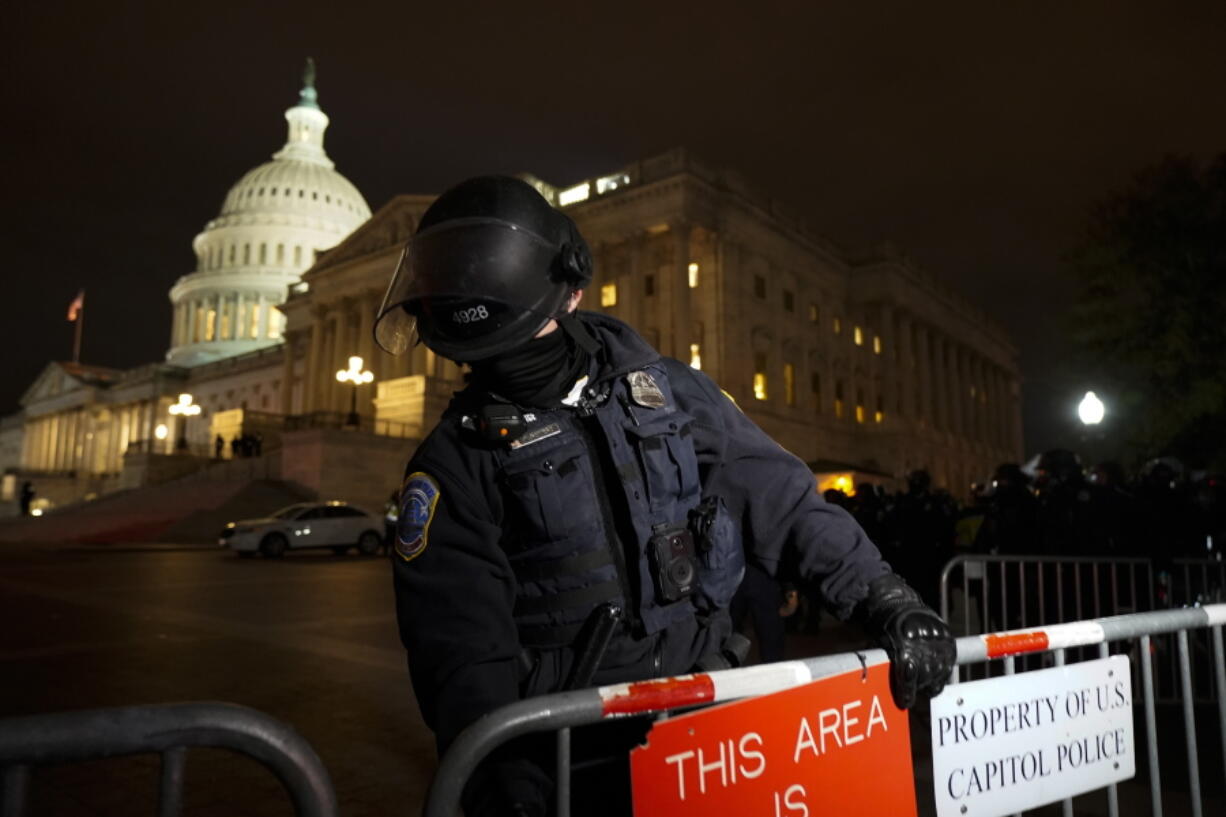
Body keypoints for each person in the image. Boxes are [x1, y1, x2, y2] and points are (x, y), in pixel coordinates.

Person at [374, 176, 955, 817]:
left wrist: (884, 596)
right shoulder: (455, 462)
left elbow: (780, 499)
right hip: (574, 756)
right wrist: (506, 779)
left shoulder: (664, 389)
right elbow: (461, 651)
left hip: (710, 726)